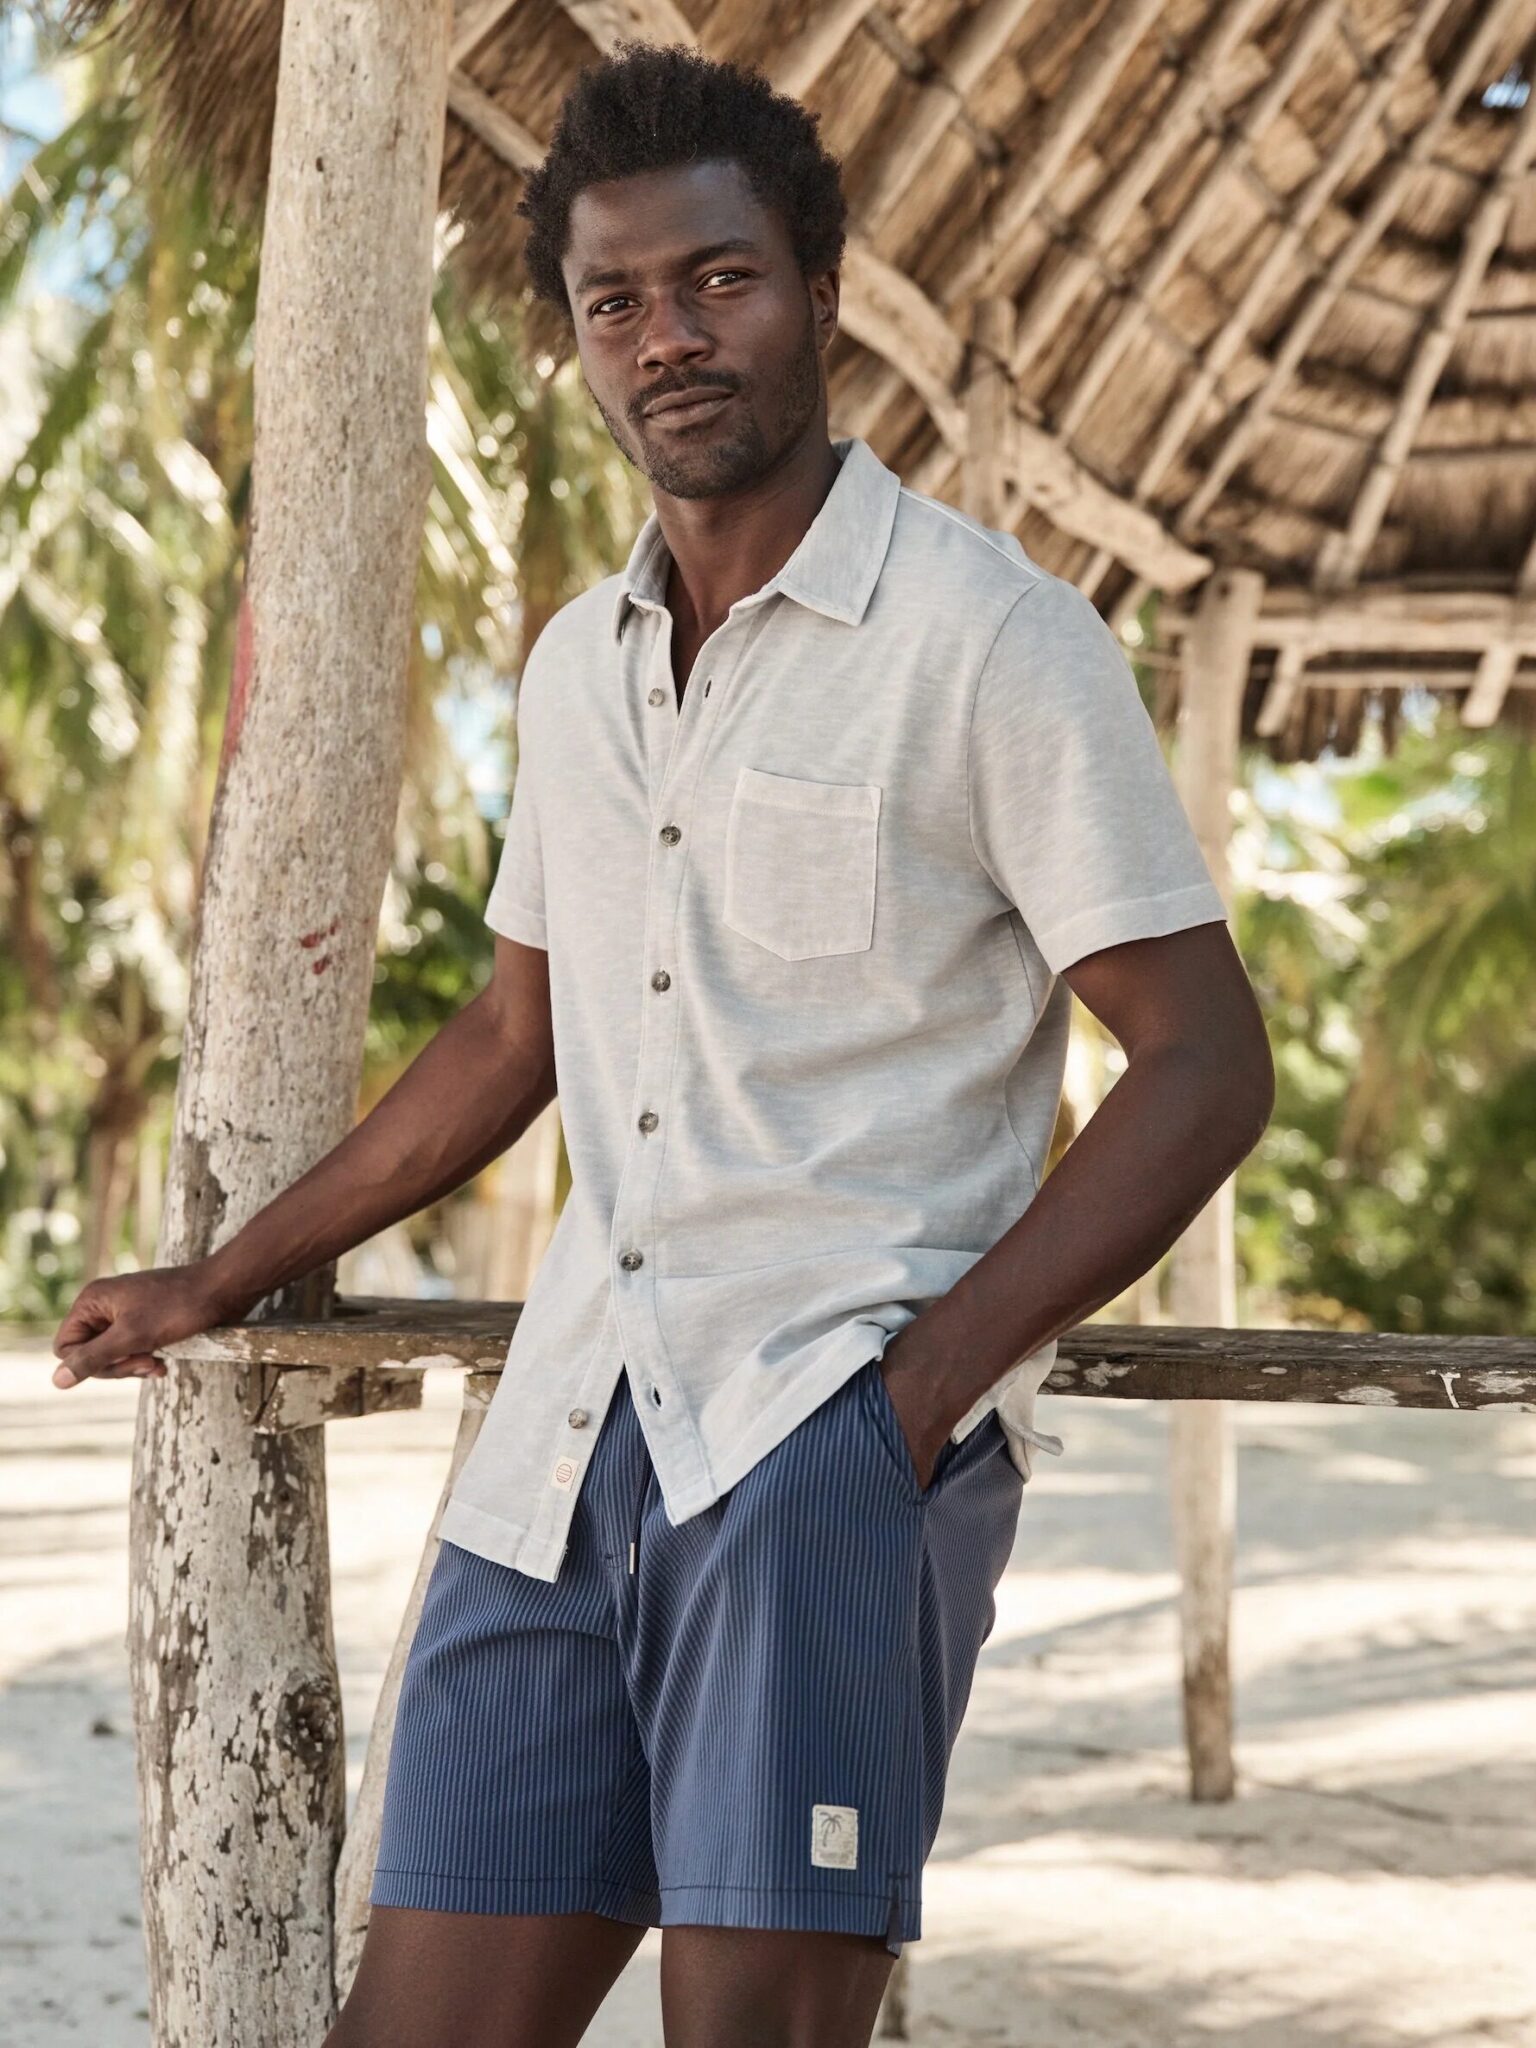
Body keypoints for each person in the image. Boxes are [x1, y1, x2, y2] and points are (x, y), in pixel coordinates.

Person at [52, 41, 1275, 2048]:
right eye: (615, 299)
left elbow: (1207, 1062)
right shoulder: (573, 669)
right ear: (574, 340)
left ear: (821, 289)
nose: (667, 335)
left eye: (719, 278)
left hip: (820, 1444)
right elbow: (518, 1024)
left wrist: (917, 1394)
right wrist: (223, 1269)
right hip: (556, 1445)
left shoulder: (989, 642)